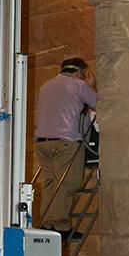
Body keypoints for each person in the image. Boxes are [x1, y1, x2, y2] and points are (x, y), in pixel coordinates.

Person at [32, 57, 98, 237]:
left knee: (50, 184)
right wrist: (90, 85)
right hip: (66, 142)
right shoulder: (78, 85)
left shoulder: (46, 85)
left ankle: (46, 224)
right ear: (81, 72)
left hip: (42, 143)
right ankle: (60, 226)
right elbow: (99, 104)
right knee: (69, 182)